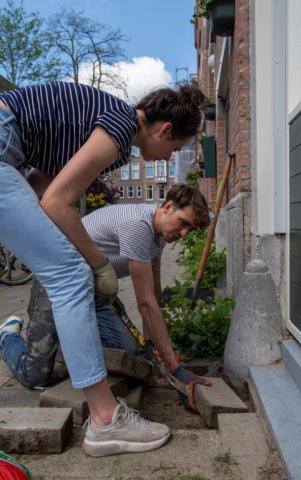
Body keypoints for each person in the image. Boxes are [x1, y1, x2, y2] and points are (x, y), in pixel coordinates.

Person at [0, 81, 204, 457]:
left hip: (9, 152)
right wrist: (97, 263)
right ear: (164, 130)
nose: (164, 159)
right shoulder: (123, 125)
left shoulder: (102, 129)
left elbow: (42, 189)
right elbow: (57, 204)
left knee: (69, 273)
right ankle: (107, 419)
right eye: (172, 149)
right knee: (72, 276)